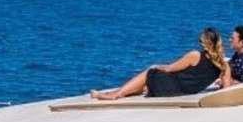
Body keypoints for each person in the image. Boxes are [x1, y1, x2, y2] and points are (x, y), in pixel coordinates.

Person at [91, 28, 231, 100]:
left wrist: (156, 66)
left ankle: (115, 94)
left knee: (151, 72)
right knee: (146, 84)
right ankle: (116, 92)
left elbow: (170, 68)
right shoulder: (224, 66)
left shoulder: (194, 55)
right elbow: (227, 88)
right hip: (186, 91)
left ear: (204, 42)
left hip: (172, 88)